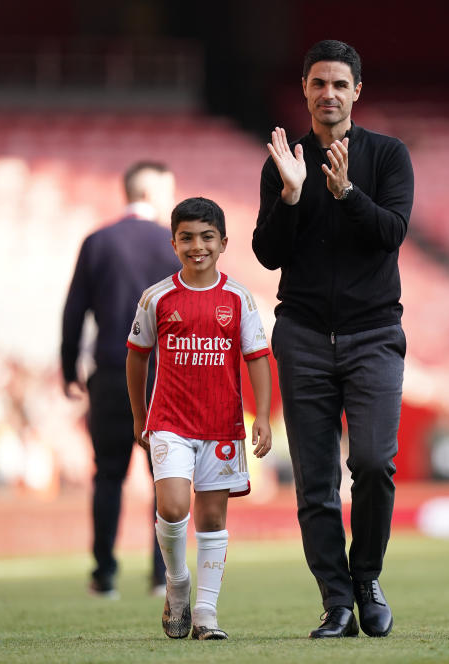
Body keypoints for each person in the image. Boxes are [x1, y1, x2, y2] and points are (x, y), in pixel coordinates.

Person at [252, 39, 413, 639]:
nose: (329, 94)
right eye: (319, 83)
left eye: (340, 84)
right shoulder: (282, 161)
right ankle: (337, 600)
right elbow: (268, 253)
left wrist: (345, 193)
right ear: (304, 89)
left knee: (373, 463)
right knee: (314, 479)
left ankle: (366, 577)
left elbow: (391, 232)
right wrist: (292, 195)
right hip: (303, 335)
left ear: (357, 92)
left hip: (374, 334)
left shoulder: (388, 155)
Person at [126, 196, 272, 640]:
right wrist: (139, 416)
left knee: (212, 520)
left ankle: (206, 613)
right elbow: (136, 358)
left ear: (223, 242)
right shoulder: (158, 297)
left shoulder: (238, 298)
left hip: (221, 424)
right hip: (169, 421)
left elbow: (258, 358)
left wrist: (261, 415)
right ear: (173, 243)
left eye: (207, 237)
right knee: (172, 506)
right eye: (187, 237)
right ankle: (177, 582)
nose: (197, 246)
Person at [61, 161, 178, 598]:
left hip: (110, 372)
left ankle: (104, 574)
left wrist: (70, 364)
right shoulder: (173, 244)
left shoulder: (97, 241)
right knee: (165, 476)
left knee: (107, 474)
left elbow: (74, 310)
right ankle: (160, 575)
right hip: (164, 375)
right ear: (151, 193)